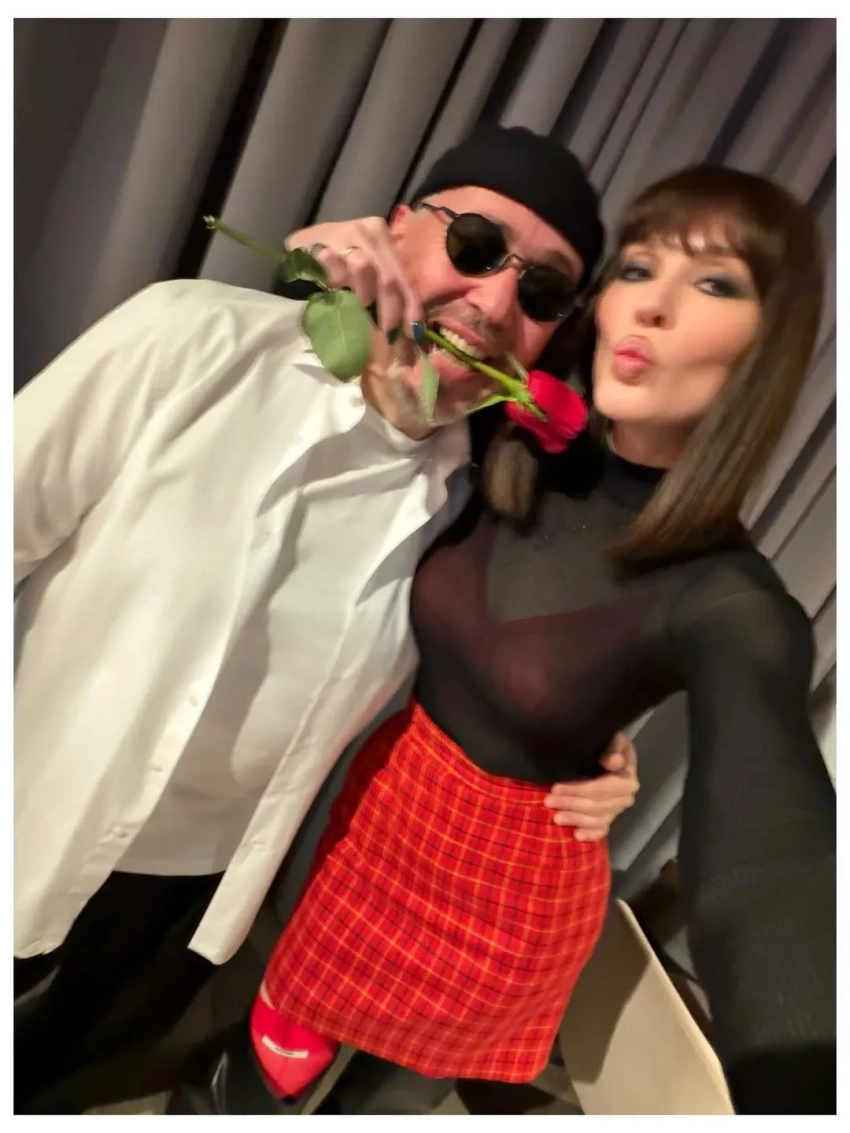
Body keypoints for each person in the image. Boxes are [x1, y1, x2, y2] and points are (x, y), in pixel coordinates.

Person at [175, 162, 836, 1116]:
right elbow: (342, 385)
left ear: (767, 348)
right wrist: (316, 264)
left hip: (507, 909)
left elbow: (770, 854)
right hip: (376, 822)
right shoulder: (503, 436)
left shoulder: (732, 598)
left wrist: (806, 1079)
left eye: (714, 282)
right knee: (257, 1071)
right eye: (638, 268)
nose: (652, 305)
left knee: (375, 1107)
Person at [14, 125, 640, 1111]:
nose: (492, 302)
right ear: (394, 228)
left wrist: (592, 764)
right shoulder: (192, 338)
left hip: (178, 901)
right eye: (473, 245)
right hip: (28, 803)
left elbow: (488, 698)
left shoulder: (474, 517)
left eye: (543, 290)